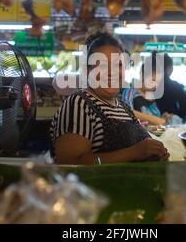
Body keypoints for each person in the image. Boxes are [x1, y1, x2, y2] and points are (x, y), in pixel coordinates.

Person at [50, 32, 169, 165]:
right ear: (89, 70)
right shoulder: (79, 104)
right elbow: (69, 162)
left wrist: (154, 154)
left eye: (118, 64)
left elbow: (141, 149)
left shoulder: (124, 107)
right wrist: (133, 152)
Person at [121, 52, 172, 126]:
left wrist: (162, 117)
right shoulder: (130, 92)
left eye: (158, 82)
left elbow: (155, 121)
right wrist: (156, 120)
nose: (155, 85)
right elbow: (126, 112)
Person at [155, 53, 186, 122]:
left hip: (155, 122)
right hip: (173, 122)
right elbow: (185, 107)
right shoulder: (175, 85)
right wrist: (177, 116)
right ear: (169, 67)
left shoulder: (152, 85)